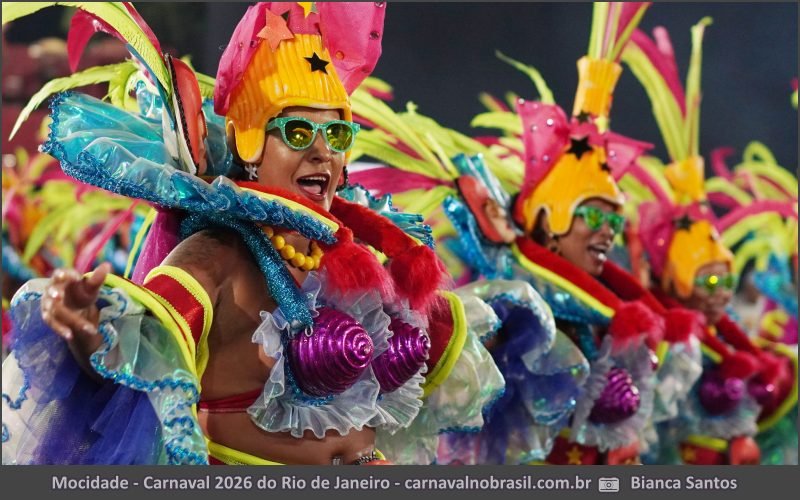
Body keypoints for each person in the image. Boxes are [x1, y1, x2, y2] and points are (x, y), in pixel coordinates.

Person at [3, 2, 501, 465]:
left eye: (338, 135)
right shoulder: (215, 255)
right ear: (250, 141)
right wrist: (89, 330)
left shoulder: (358, 257)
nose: (323, 153)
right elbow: (145, 350)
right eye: (299, 133)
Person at [621, 19, 797, 465]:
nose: (721, 295)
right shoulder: (648, 341)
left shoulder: (731, 335)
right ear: (674, 282)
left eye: (725, 281)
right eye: (708, 282)